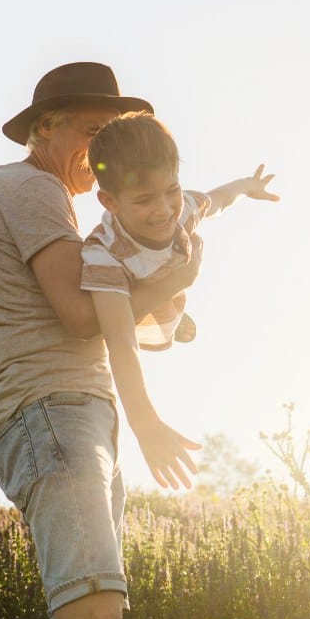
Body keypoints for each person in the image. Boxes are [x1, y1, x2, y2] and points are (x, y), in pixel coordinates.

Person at [0, 62, 203, 619]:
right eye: (90, 131)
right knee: (92, 617)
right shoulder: (29, 188)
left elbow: (36, 317)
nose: (100, 153)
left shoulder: (40, 204)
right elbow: (76, 313)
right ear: (42, 128)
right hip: (53, 412)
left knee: (96, 617)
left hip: (71, 416)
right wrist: (175, 282)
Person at [80, 112, 278, 485]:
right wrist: (147, 426)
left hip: (170, 281)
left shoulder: (182, 207)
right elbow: (121, 345)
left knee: (176, 289)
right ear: (109, 201)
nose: (163, 209)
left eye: (170, 190)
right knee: (136, 320)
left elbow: (218, 199)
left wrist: (248, 185)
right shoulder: (103, 255)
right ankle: (169, 319)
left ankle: (175, 316)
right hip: (131, 310)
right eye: (143, 200)